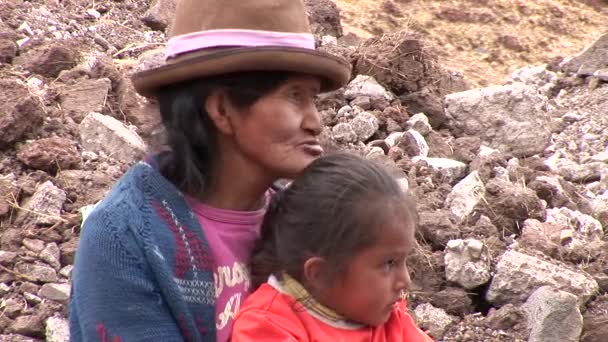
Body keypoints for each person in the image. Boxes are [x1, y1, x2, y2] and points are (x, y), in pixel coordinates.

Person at [68, 0, 351, 341]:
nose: (315, 122)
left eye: (313, 99)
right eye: (294, 96)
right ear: (221, 109)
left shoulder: (306, 225)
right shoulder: (123, 238)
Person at [231, 153, 434, 341]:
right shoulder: (269, 326)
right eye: (389, 263)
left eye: (403, 261)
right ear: (320, 273)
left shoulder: (389, 320)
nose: (405, 280)